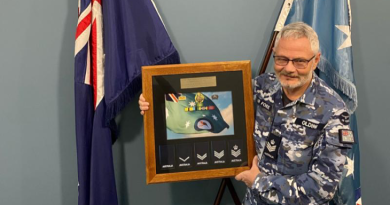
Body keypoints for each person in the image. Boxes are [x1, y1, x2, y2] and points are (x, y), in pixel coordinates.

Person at [138, 22, 353, 205]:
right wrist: (155, 102)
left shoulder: (333, 112)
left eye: (299, 61)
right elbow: (205, 99)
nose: (289, 68)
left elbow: (322, 188)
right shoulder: (262, 87)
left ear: (315, 60)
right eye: (281, 59)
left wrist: (258, 181)